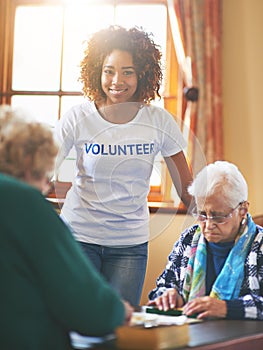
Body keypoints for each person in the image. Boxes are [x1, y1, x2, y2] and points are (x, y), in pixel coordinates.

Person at [55, 25, 194, 305]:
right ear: (97, 71)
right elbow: (41, 168)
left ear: (142, 74)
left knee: (121, 327)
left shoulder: (159, 121)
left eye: (127, 71)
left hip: (130, 245)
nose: (117, 80)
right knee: (78, 324)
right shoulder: (77, 117)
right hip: (78, 237)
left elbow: (186, 186)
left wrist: (214, 218)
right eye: (109, 70)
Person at [0, 106, 133, 350]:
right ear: (30, 165)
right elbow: (89, 310)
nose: (45, 188)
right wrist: (117, 310)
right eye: (45, 177)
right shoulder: (24, 202)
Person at [148, 160, 263, 320]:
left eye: (218, 216)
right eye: (201, 214)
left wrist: (226, 307)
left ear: (242, 210)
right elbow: (162, 286)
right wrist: (168, 295)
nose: (208, 225)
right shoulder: (189, 239)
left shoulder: (260, 245)